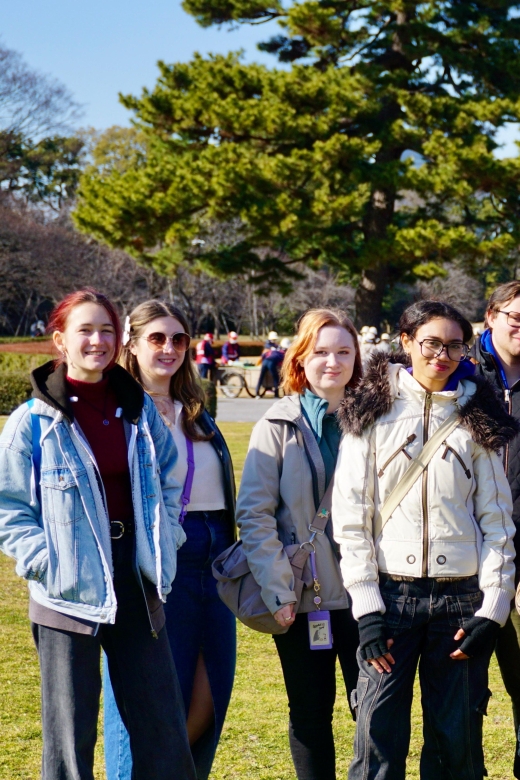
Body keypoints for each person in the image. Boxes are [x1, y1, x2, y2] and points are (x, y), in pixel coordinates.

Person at [0, 289, 195, 780]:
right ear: (60, 339)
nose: (98, 340)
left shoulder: (139, 412)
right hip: (66, 593)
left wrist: (166, 537)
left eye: (107, 329)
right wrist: (47, 562)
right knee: (70, 739)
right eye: (85, 330)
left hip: (137, 579)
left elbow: (170, 482)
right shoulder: (32, 423)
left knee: (162, 731)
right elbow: (10, 508)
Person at [332, 299, 518, 780]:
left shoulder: (480, 413)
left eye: (455, 345)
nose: (442, 355)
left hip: (460, 603)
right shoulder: (370, 410)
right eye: (432, 342)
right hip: (390, 599)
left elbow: (497, 522)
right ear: (407, 342)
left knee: (456, 746)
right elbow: (352, 516)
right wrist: (367, 607)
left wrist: (493, 610)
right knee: (376, 744)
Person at [104, 300, 236, 780]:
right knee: (143, 701)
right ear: (132, 345)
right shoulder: (118, 411)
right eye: (156, 338)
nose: (169, 348)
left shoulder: (197, 410)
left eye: (178, 339)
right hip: (154, 561)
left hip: (215, 556)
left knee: (210, 694)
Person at [237, 308, 362, 780]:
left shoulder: (377, 419)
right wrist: (278, 590)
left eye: (343, 351)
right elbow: (255, 514)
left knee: (372, 709)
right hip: (303, 595)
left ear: (357, 358)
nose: (333, 361)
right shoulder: (278, 423)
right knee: (310, 714)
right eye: (321, 352)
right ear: (301, 359)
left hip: (368, 593)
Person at [472, 281, 520, 778]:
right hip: (469, 545)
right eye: (515, 317)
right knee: (467, 674)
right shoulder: (462, 375)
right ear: (492, 316)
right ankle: (466, 766)